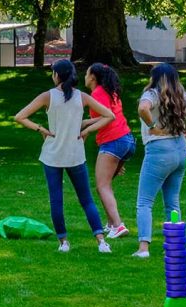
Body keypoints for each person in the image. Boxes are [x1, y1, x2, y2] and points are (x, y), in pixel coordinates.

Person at [15, 59, 116, 253]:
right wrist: (87, 130)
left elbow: (19, 116)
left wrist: (41, 129)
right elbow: (109, 115)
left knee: (56, 200)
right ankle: (101, 242)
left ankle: (63, 243)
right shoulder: (82, 97)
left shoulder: (48, 96)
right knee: (86, 200)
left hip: (52, 155)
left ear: (57, 76)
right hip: (75, 154)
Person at [133, 63, 186, 258]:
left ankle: (143, 248)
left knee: (145, 201)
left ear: (155, 78)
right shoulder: (182, 96)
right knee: (172, 201)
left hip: (159, 150)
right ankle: (175, 246)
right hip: (181, 150)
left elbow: (143, 108)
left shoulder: (152, 94)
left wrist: (153, 126)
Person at [82, 63, 136, 239]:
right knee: (104, 185)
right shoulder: (109, 91)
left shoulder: (98, 93)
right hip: (126, 140)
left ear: (93, 77)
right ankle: (111, 223)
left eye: (87, 73)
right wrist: (85, 123)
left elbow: (107, 118)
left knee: (102, 185)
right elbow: (102, 117)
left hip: (113, 141)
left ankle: (118, 226)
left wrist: (86, 129)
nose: (85, 76)